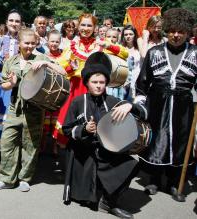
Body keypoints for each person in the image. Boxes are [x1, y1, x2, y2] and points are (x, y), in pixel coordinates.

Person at [62, 62, 147, 218]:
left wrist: (129, 105)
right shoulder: (78, 102)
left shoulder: (113, 101)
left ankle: (108, 201)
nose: (99, 86)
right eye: (94, 82)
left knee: (132, 164)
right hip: (84, 152)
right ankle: (98, 196)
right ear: (87, 83)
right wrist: (84, 130)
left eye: (102, 82)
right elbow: (66, 130)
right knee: (88, 197)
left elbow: (144, 112)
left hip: (107, 150)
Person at [0, 28, 66, 192]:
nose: (30, 46)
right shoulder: (11, 61)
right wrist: (11, 83)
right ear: (19, 43)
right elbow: (3, 85)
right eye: (26, 43)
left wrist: (47, 63)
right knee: (7, 143)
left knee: (30, 145)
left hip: (35, 110)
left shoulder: (41, 58)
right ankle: (7, 178)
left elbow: (63, 72)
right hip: (14, 109)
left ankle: (25, 178)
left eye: (33, 43)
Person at [135, 8, 197, 202]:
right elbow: (142, 83)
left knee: (180, 142)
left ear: (187, 32)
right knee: (157, 141)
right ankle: (153, 178)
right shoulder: (154, 52)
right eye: (172, 31)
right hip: (158, 105)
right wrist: (141, 104)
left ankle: (173, 181)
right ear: (166, 30)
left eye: (181, 31)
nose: (176, 35)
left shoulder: (196, 53)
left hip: (184, 107)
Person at [55, 13, 128, 145]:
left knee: (96, 124)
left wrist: (108, 45)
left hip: (96, 89)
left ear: (94, 28)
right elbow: (61, 69)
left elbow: (125, 53)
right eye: (83, 24)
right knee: (73, 125)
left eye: (89, 25)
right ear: (78, 26)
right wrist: (71, 68)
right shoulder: (71, 46)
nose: (85, 28)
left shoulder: (100, 44)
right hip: (76, 89)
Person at [42, 31, 63, 157]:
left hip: (59, 92)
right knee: (44, 121)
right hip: (45, 92)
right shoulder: (43, 56)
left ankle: (55, 147)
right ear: (47, 42)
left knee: (56, 121)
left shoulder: (64, 55)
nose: (54, 44)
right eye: (52, 41)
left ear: (60, 42)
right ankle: (42, 145)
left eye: (57, 41)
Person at [120, 25, 141, 101]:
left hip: (137, 80)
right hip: (123, 81)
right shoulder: (121, 48)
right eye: (126, 34)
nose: (128, 36)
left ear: (135, 35)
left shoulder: (139, 48)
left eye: (130, 34)